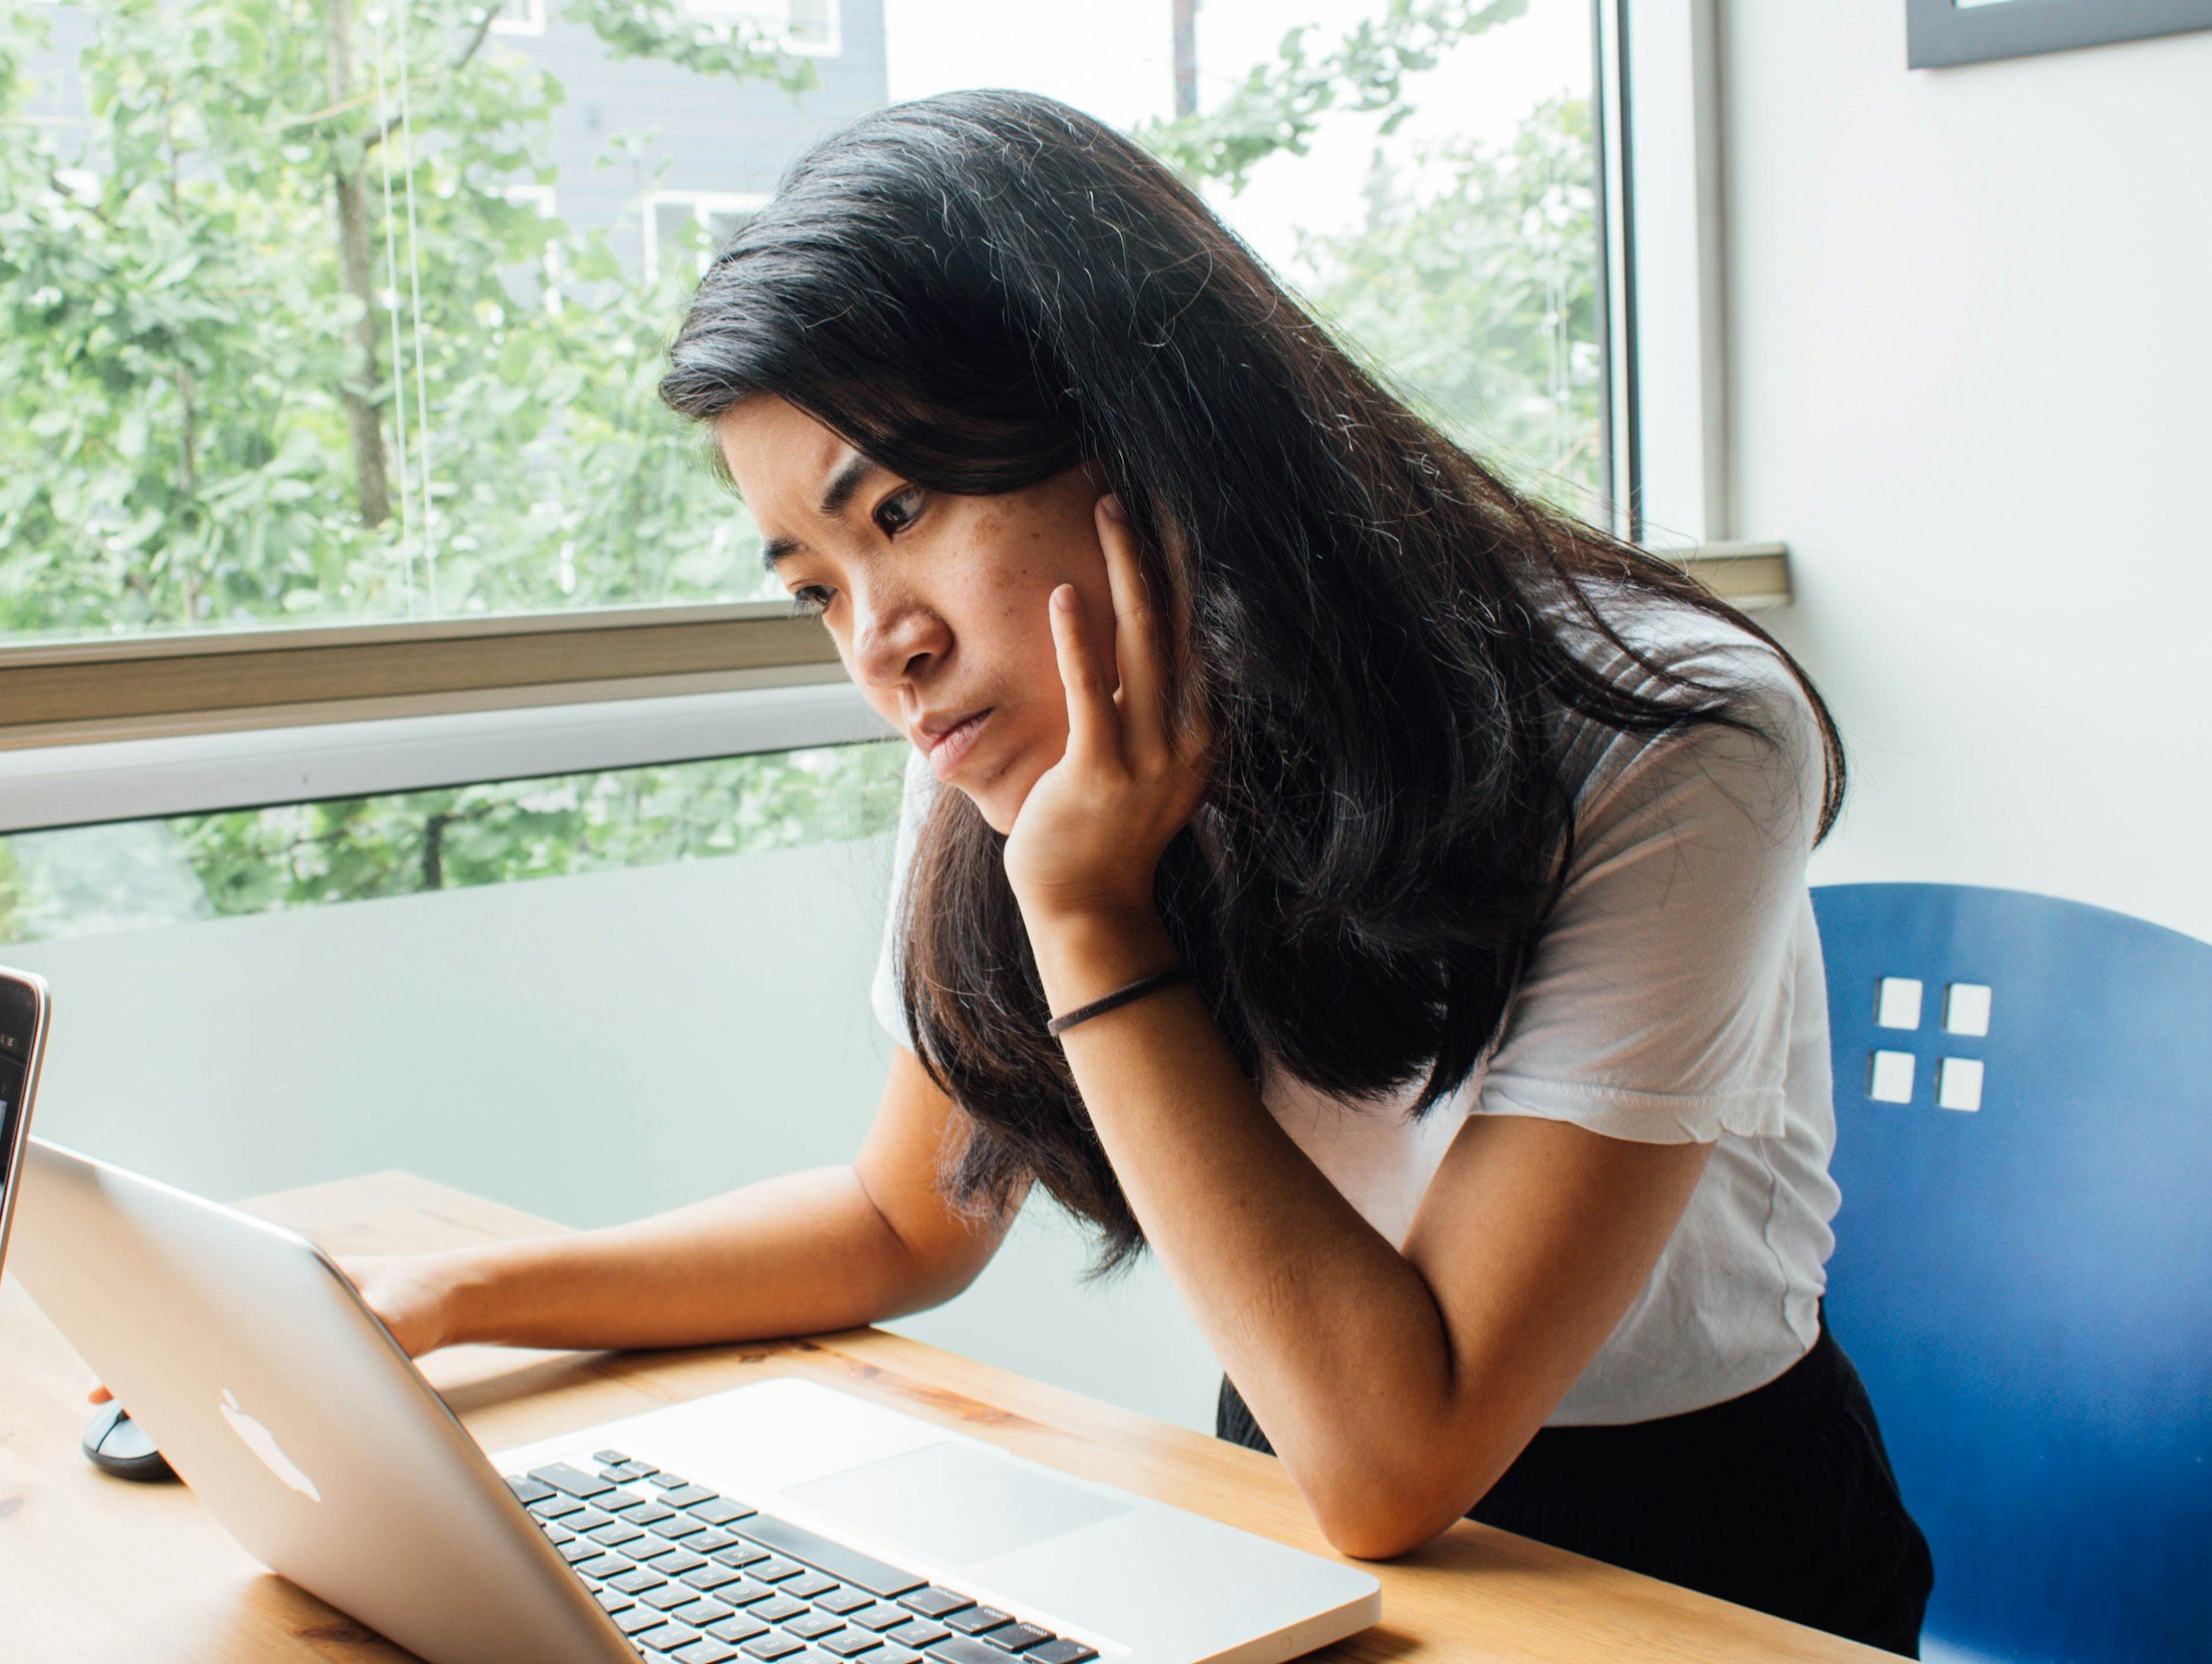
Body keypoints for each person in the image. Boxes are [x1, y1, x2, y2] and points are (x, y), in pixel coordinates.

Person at [333, 92, 1932, 1651]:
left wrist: (1088, 916)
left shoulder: (1666, 736)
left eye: (903, 508)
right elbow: (905, 1222)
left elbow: (1400, 1452)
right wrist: (458, 1292)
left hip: (1691, 1563)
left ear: (1151, 432)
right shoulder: (1006, 712)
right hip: (1282, 1479)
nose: (888, 645)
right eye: (818, 587)